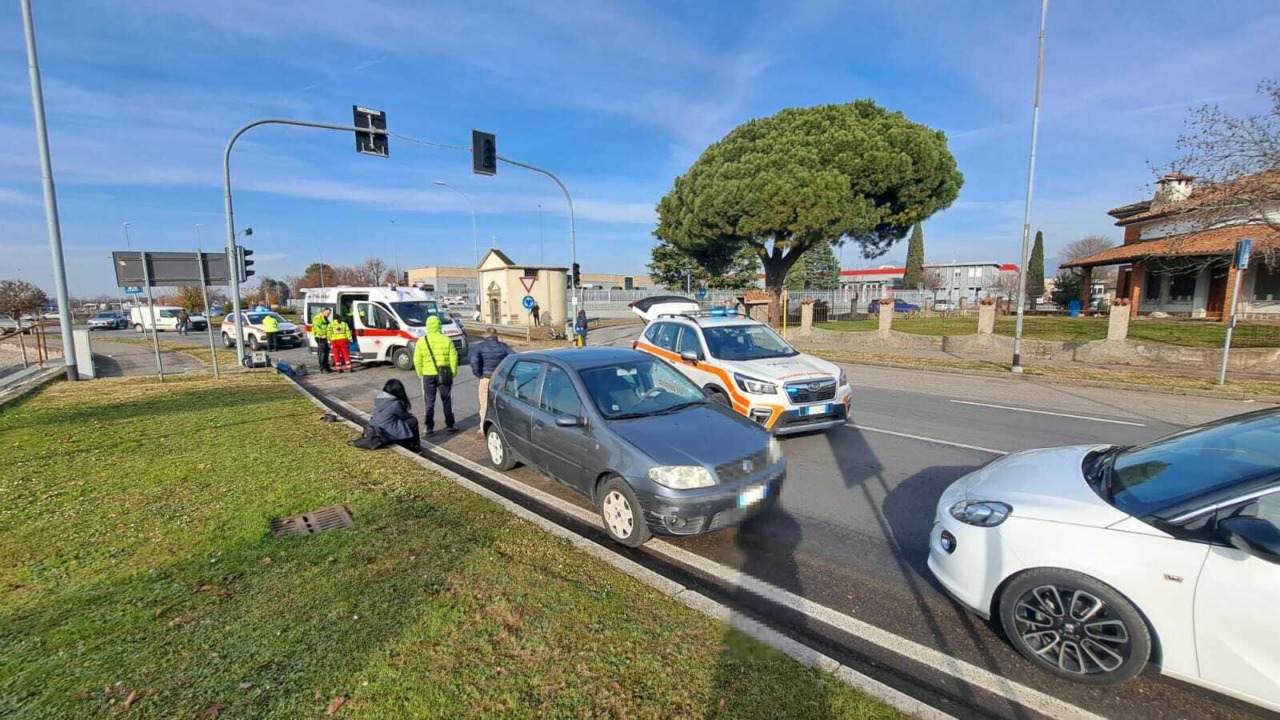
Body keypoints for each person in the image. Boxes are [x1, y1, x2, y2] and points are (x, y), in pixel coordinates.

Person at [414, 315, 458, 436]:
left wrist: (420, 373)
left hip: (428, 375)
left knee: (429, 401)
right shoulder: (446, 340)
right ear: (439, 325)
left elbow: (417, 360)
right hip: (443, 374)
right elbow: (453, 358)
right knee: (447, 400)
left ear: (427, 326)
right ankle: (450, 425)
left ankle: (429, 428)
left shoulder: (422, 341)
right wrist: (453, 372)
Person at [469, 327, 514, 432]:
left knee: (485, 404)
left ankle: (484, 428)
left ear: (486, 335)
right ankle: (504, 428)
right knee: (501, 404)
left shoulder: (479, 347)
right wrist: (506, 373)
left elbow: (474, 361)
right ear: (496, 336)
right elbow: (514, 357)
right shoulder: (504, 347)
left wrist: (479, 374)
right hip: (500, 380)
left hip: (486, 378)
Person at [370, 379, 421, 451]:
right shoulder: (395, 404)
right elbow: (405, 416)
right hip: (387, 434)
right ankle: (414, 447)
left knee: (399, 421)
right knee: (413, 421)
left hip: (375, 429)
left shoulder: (379, 399)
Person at [311, 307, 332, 373]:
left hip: (325, 337)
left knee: (327, 351)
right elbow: (316, 327)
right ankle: (322, 368)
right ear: (323, 311)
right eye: (327, 313)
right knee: (322, 353)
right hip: (320, 337)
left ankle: (327, 366)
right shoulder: (317, 318)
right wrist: (321, 334)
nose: (328, 314)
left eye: (329, 313)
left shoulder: (325, 317)